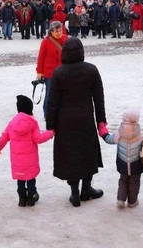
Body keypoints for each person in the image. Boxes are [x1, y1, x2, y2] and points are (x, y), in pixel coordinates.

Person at [45, 37, 106, 207]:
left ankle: (74, 192)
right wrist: (101, 121)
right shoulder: (91, 70)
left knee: (70, 154)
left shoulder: (59, 72)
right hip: (85, 118)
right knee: (87, 152)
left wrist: (51, 125)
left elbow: (52, 102)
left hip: (65, 121)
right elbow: (99, 99)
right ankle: (86, 188)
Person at [0, 94, 54, 207]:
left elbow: (4, 137)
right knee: (30, 179)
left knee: (20, 180)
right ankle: (31, 197)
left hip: (17, 161)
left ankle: (22, 199)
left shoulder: (12, 123)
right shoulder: (32, 123)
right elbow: (38, 138)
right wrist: (50, 133)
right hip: (30, 161)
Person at [99, 109, 143, 208]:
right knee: (134, 182)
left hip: (122, 162)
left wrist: (103, 132)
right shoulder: (141, 134)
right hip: (136, 163)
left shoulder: (120, 132)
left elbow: (109, 140)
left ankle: (120, 200)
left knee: (123, 180)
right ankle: (132, 202)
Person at [36, 21, 65, 118]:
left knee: (63, 94)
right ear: (51, 32)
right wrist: (39, 72)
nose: (59, 33)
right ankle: (47, 114)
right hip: (50, 73)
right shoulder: (46, 41)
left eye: (60, 30)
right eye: (56, 31)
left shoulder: (66, 39)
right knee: (50, 94)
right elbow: (41, 57)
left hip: (63, 71)